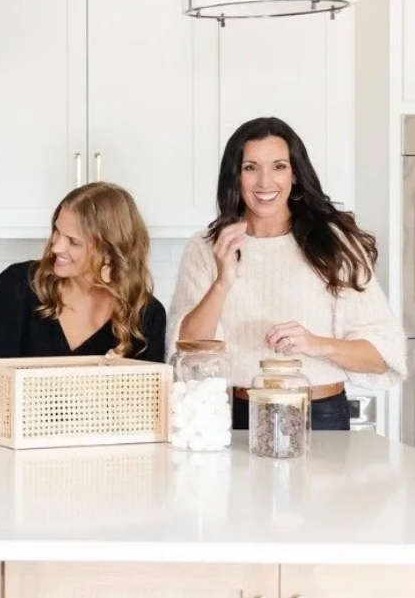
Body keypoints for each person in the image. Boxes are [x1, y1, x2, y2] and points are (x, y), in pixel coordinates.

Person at [169, 117, 406, 430]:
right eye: (251, 168)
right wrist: (223, 282)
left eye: (278, 166)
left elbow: (382, 357)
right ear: (235, 176)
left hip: (320, 416)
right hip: (235, 416)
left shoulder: (335, 244)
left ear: (295, 174)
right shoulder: (206, 247)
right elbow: (186, 350)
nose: (265, 182)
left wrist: (318, 344)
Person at [0, 183, 167, 391]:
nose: (56, 247)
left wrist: (120, 386)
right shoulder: (19, 283)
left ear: (109, 251)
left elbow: (151, 403)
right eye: (57, 231)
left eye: (73, 242)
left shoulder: (146, 314)